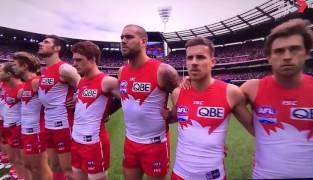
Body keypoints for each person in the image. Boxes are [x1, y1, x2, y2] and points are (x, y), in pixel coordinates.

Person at [241, 18, 313, 178]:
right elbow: (219, 100)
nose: (287, 56)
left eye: (294, 49)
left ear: (306, 53)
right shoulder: (252, 88)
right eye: (279, 51)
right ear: (269, 57)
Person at [165, 37, 253, 180]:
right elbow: (173, 118)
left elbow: (258, 130)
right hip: (179, 174)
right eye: (190, 58)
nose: (194, 62)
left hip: (213, 176)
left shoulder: (231, 93)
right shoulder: (177, 93)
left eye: (200, 57)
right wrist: (165, 114)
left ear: (212, 62)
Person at [118, 24, 180, 180]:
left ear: (143, 42)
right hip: (130, 141)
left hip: (155, 144)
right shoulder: (121, 71)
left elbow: (183, 101)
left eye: (129, 37)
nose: (123, 41)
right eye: (122, 37)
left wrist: (171, 116)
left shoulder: (163, 70)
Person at [70, 41, 118, 180]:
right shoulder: (81, 81)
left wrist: (108, 111)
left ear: (93, 59)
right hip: (76, 139)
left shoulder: (107, 81)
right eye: (74, 59)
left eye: (79, 60)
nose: (74, 64)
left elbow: (127, 99)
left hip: (94, 143)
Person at [37, 35, 80, 179]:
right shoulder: (44, 71)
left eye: (46, 42)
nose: (40, 43)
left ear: (57, 48)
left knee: (68, 169)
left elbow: (84, 86)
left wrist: (77, 96)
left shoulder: (64, 68)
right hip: (49, 124)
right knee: (54, 165)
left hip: (63, 124)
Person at [12, 51, 53, 180]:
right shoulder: (25, 85)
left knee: (40, 168)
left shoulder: (37, 82)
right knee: (29, 166)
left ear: (24, 66)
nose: (13, 68)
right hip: (26, 131)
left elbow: (53, 100)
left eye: (15, 65)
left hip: (36, 131)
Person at [0, 62, 28, 179]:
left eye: (1, 71)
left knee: (21, 159)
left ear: (9, 74)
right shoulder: (7, 87)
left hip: (18, 127)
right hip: (8, 125)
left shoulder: (21, 89)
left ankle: (23, 177)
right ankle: (19, 174)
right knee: (13, 157)